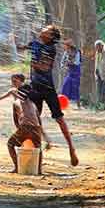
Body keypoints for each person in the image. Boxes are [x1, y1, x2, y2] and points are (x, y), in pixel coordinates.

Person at [17, 25, 78, 166]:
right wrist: (14, 42)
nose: (43, 29)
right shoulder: (34, 44)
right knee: (32, 120)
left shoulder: (51, 49)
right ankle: (37, 153)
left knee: (59, 119)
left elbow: (45, 67)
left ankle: (71, 148)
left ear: (50, 36)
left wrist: (33, 64)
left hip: (48, 88)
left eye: (47, 29)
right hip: (35, 88)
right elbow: (21, 48)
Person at [0, 74, 45, 174]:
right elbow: (39, 121)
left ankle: (17, 167)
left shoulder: (16, 102)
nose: (13, 83)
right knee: (38, 148)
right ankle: (39, 170)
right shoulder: (33, 103)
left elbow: (16, 121)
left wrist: (21, 133)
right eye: (12, 81)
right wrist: (45, 137)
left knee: (10, 144)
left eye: (15, 81)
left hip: (25, 127)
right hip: (36, 128)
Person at [60, 39, 82, 109]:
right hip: (70, 72)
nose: (64, 47)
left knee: (75, 88)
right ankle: (63, 105)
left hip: (76, 72)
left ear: (69, 46)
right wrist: (64, 66)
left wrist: (69, 63)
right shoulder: (66, 52)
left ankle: (78, 105)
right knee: (65, 86)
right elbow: (62, 62)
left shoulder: (77, 52)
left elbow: (77, 62)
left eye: (65, 45)